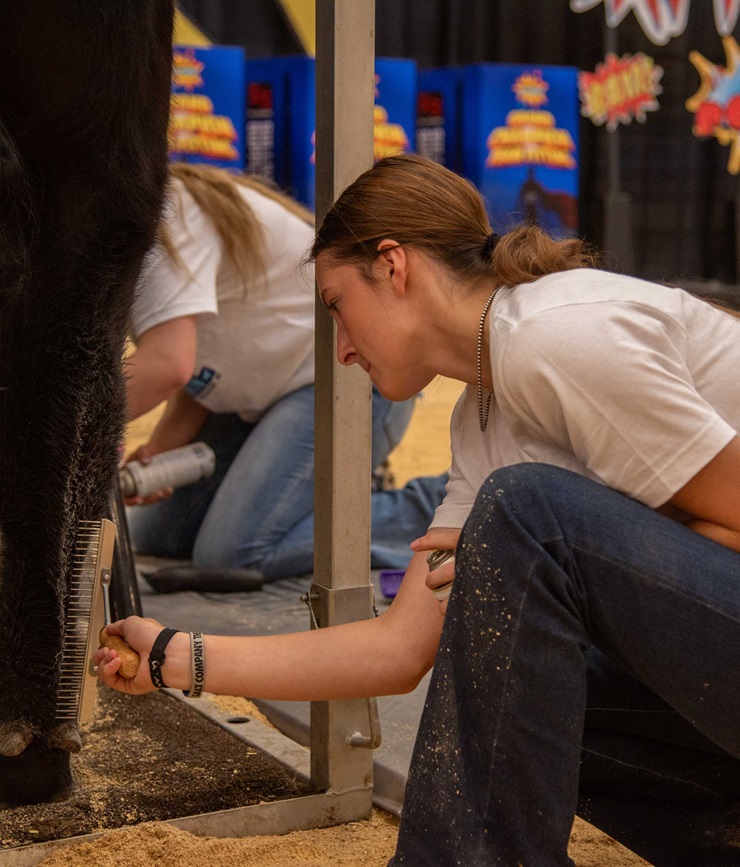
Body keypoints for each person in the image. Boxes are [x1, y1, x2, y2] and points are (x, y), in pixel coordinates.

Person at [98, 154, 740, 866]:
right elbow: (399, 648)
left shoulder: (555, 336)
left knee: (526, 520)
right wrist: (175, 656)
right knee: (528, 683)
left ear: (393, 265)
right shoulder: (485, 417)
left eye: (337, 306)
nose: (341, 350)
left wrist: (557, 551)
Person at [124, 161, 446, 583]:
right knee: (153, 533)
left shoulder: (169, 214)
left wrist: (60, 436)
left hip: (345, 379)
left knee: (233, 553)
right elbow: (203, 362)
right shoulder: (163, 206)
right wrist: (161, 449)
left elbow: (169, 363)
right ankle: (324, 498)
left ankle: (440, 505)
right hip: (267, 397)